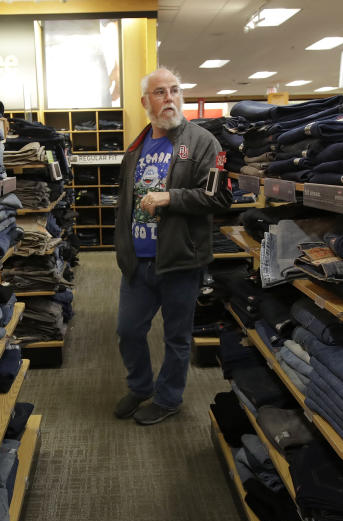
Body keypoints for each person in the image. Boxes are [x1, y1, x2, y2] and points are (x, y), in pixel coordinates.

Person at [113, 67, 231, 425]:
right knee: (128, 330)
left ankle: (168, 398)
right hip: (138, 261)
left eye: (175, 91)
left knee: (177, 337)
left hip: (181, 260)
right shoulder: (137, 145)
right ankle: (140, 386)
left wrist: (170, 197)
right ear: (145, 101)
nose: (169, 98)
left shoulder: (201, 142)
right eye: (160, 92)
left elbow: (220, 196)